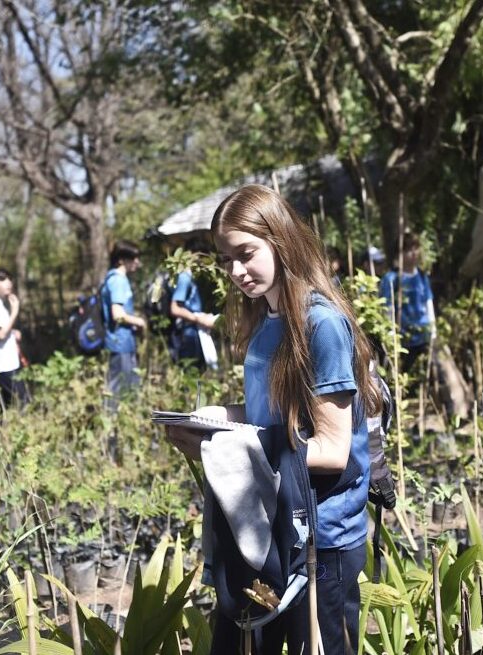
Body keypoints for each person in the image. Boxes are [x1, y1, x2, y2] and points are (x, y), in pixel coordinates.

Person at [166, 184, 381, 654]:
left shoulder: (320, 325)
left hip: (321, 539)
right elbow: (273, 420)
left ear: (280, 240)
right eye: (226, 259)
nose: (236, 271)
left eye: (246, 253)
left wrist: (235, 448)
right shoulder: (266, 322)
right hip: (273, 529)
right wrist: (211, 425)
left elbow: (330, 449)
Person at [379, 233, 436, 377]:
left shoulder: (422, 276)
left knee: (424, 376)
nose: (414, 253)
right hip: (402, 341)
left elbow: (428, 301)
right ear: (400, 253)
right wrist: (390, 333)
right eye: (409, 249)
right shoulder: (391, 278)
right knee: (401, 378)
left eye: (416, 248)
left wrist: (432, 328)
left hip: (422, 338)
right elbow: (388, 306)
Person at [102, 240, 146, 399]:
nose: (137, 262)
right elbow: (117, 314)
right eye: (133, 258)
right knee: (117, 388)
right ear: (121, 259)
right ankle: (111, 420)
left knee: (130, 384)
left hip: (123, 342)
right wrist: (138, 321)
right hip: (119, 342)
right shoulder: (118, 280)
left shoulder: (114, 278)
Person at [0, 269, 30, 407]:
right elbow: (1, 334)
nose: (8, 283)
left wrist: (12, 332)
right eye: (2, 280)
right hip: (4, 366)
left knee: (5, 408)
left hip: (2, 365)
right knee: (24, 404)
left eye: (9, 279)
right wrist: (15, 311)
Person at [169, 267, 217, 370]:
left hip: (194, 333)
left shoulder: (190, 278)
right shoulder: (184, 277)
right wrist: (199, 319)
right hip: (187, 335)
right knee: (191, 371)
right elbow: (175, 308)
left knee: (198, 372)